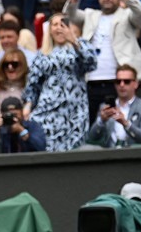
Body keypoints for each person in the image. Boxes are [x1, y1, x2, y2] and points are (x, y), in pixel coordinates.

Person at [67, 0, 141, 125]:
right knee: (92, 128)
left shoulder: (127, 15)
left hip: (118, 83)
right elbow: (69, 14)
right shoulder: (91, 14)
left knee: (118, 127)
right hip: (91, 83)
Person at [24, 13, 98, 151]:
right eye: (55, 25)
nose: (59, 28)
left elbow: (91, 63)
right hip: (48, 112)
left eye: (63, 24)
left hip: (74, 112)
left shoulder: (79, 48)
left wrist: (74, 41)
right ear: (50, 29)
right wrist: (28, 106)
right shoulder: (42, 54)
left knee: (73, 153)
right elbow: (33, 84)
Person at [85, 64, 141, 147]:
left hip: (135, 154)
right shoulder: (105, 107)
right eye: (118, 81)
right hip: (109, 154)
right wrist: (101, 121)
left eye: (126, 81)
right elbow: (91, 138)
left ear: (136, 84)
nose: (122, 85)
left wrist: (126, 124)